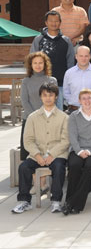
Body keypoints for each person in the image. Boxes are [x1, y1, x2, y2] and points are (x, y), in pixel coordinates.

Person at [12, 83, 69, 214]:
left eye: (51, 95)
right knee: (24, 167)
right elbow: (28, 140)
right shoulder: (32, 117)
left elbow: (65, 140)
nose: (48, 98)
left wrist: (52, 155)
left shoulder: (64, 117)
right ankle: (24, 201)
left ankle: (56, 201)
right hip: (36, 154)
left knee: (59, 167)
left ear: (56, 97)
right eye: (45, 95)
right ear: (40, 97)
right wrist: (37, 155)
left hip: (57, 155)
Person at [63, 89, 91, 215]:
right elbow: (72, 136)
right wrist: (79, 151)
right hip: (78, 149)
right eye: (84, 98)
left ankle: (73, 203)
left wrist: (89, 151)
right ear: (79, 101)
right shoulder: (73, 116)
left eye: (89, 98)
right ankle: (70, 201)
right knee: (74, 165)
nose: (87, 101)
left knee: (90, 166)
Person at [30, 10, 75, 109]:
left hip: (61, 84)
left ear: (60, 22)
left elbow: (70, 62)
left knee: (58, 112)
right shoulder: (38, 39)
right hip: (42, 84)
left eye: (56, 21)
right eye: (51, 20)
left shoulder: (66, 40)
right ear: (46, 22)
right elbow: (32, 60)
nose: (54, 23)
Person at [20, 52, 57, 160]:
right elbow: (24, 101)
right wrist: (34, 118)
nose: (38, 65)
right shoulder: (26, 81)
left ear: (45, 64)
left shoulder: (51, 80)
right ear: (30, 65)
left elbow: (53, 100)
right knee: (30, 155)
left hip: (48, 120)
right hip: (29, 120)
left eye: (40, 63)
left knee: (47, 153)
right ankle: (33, 176)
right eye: (35, 63)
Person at [63, 46, 91, 112]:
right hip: (74, 110)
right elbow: (66, 92)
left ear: (90, 56)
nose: (83, 58)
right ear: (76, 56)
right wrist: (74, 102)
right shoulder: (69, 73)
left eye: (86, 56)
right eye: (81, 56)